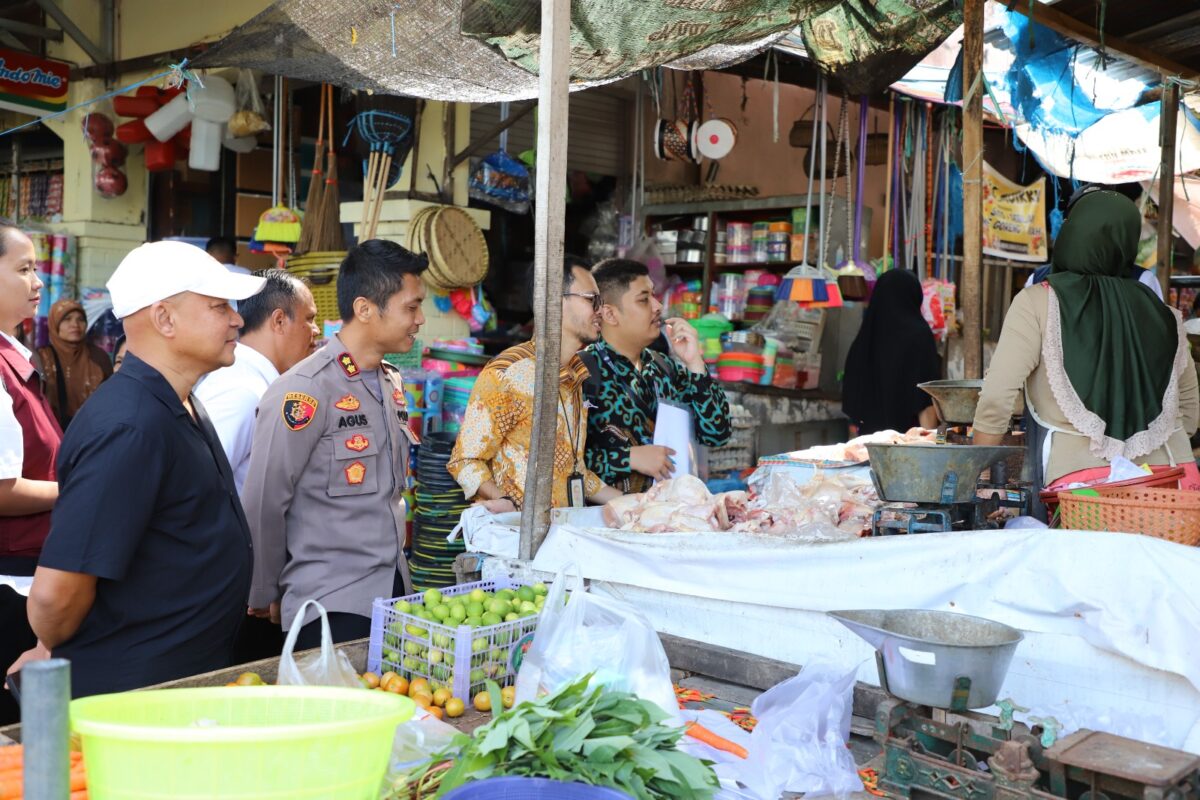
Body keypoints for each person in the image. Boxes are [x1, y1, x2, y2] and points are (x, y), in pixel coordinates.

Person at [27, 240, 266, 697]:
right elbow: (54, 601)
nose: (237, 318)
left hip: (181, 679)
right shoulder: (129, 425)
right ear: (164, 319)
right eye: (220, 306)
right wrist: (49, 642)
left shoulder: (177, 400)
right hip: (134, 693)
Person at [241, 240, 426, 648]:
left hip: (393, 593)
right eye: (410, 307)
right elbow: (265, 499)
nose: (420, 319)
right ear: (364, 309)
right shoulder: (304, 390)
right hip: (331, 605)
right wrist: (264, 589)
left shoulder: (390, 381)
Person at [973, 191, 1200, 493]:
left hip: (1084, 490)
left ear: (1071, 234)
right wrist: (1148, 444)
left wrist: (975, 469)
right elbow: (1190, 414)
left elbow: (996, 397)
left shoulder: (1037, 301)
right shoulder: (1164, 314)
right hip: (1173, 484)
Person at [448, 258, 622, 510]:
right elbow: (464, 460)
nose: (600, 310)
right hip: (516, 538)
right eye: (591, 299)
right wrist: (503, 501)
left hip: (560, 534)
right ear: (554, 300)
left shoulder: (576, 374)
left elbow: (573, 472)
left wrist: (633, 502)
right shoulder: (508, 373)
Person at [582, 258, 731, 492]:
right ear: (609, 314)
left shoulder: (663, 367)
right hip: (608, 520)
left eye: (654, 296)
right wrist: (629, 458)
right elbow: (559, 464)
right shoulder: (583, 372)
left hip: (668, 514)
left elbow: (717, 434)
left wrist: (694, 363)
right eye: (644, 300)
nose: (657, 306)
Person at [0, 221, 61, 721]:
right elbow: (1, 490)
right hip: (10, 583)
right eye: (23, 269)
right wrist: (74, 491)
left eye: (37, 268)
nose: (37, 282)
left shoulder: (16, 359)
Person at [196, 269, 319, 493]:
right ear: (279, 321)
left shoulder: (257, 384)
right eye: (309, 319)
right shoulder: (241, 392)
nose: (316, 330)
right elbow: (198, 484)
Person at [842, 268, 941, 434]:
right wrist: (936, 446)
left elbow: (852, 404)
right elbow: (926, 401)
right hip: (908, 446)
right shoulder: (919, 335)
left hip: (868, 445)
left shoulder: (865, 338)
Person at [37, 299, 113, 430]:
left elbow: (111, 401)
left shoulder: (99, 357)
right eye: (67, 319)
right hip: (53, 433)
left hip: (94, 432)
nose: (75, 324)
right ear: (55, 323)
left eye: (80, 319)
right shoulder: (42, 358)